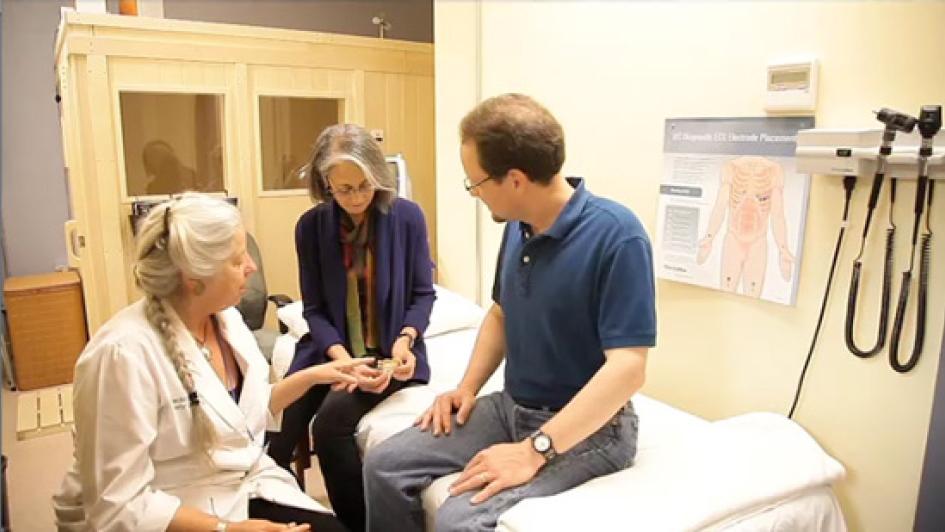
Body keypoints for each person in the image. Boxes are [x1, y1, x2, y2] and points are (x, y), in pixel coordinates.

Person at [363, 94, 657, 532]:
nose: (475, 194)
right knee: (384, 464)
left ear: (515, 179)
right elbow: (501, 315)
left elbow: (629, 368)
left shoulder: (618, 237)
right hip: (512, 407)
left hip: (595, 430)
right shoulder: (520, 226)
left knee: (459, 518)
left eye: (476, 183)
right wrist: (466, 387)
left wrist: (534, 449)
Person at [52, 193, 364, 532]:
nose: (252, 266)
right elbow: (119, 505)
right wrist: (225, 529)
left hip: (237, 486)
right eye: (236, 259)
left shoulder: (227, 321)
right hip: (171, 513)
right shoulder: (122, 356)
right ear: (193, 278)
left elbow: (241, 415)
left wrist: (316, 375)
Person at [266, 124, 436, 532]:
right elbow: (317, 308)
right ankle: (278, 516)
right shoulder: (311, 227)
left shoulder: (406, 217)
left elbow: (422, 293)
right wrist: (341, 361)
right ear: (326, 185)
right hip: (329, 349)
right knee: (274, 429)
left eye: (364, 185)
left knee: (330, 424)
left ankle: (355, 526)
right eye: (344, 189)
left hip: (389, 354)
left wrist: (405, 341)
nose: (357, 197)